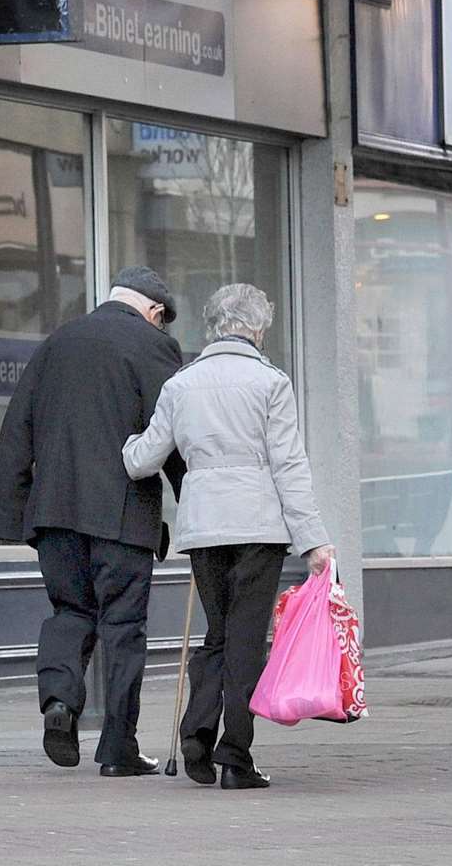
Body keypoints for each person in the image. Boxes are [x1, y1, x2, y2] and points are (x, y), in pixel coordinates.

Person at [121, 283, 335, 791]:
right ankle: (235, 756)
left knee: (217, 633)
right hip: (259, 526)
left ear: (213, 325)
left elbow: (142, 459)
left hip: (206, 527)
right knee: (245, 641)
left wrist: (127, 443)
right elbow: (289, 465)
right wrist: (314, 539)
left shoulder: (181, 383)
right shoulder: (270, 382)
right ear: (258, 328)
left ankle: (197, 730)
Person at [0, 266, 187, 778]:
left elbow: (17, 430)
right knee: (123, 628)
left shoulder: (58, 341)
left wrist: (15, 513)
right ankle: (118, 748)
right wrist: (196, 502)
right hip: (120, 516)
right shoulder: (152, 345)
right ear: (155, 312)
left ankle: (59, 701)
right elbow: (172, 431)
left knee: (70, 613)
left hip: (54, 514)